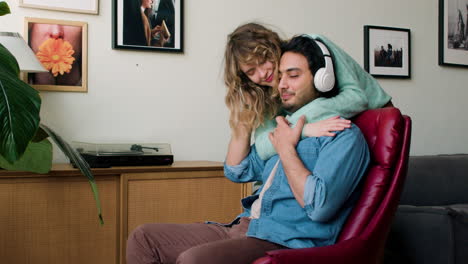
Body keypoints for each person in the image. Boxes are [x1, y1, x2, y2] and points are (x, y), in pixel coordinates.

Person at [126, 35, 370, 264]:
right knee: (144, 238)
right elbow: (238, 171)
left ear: (321, 79)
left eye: (293, 76)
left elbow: (319, 207)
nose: (281, 84)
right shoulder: (283, 126)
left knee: (194, 260)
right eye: (281, 75)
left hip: (284, 239)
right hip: (247, 225)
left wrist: (286, 150)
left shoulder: (341, 133)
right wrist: (242, 120)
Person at [224, 23, 392, 161]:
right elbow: (263, 145)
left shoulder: (312, 47)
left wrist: (292, 126)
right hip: (333, 135)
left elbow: (356, 98)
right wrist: (305, 129)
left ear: (272, 46)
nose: (262, 74)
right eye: (251, 72)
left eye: (263, 61)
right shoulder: (264, 92)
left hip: (377, 122)